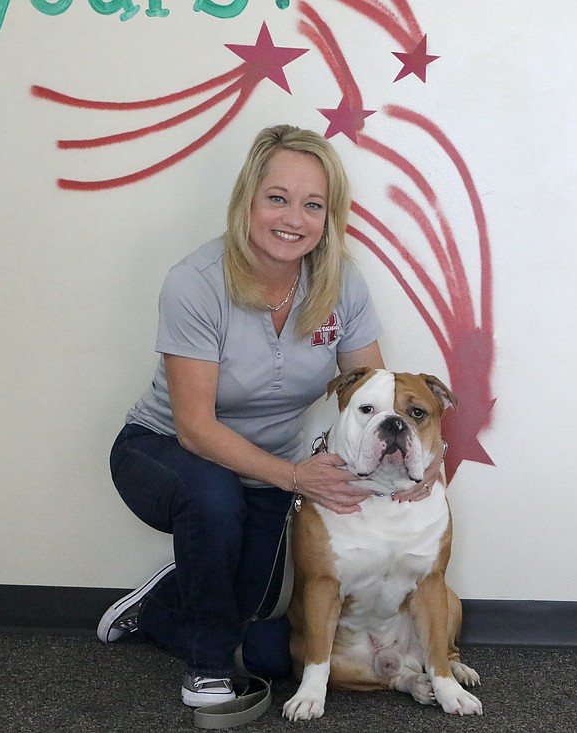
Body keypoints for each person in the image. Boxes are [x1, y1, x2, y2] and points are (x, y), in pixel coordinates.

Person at [98, 124, 441, 708]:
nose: (294, 218)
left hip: (270, 468)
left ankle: (164, 601)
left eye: (313, 204)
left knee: (268, 656)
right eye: (277, 198)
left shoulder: (341, 282)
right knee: (214, 500)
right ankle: (206, 670)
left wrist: (421, 457)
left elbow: (376, 396)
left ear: (329, 216)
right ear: (248, 201)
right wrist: (294, 477)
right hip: (163, 451)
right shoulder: (195, 283)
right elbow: (195, 428)